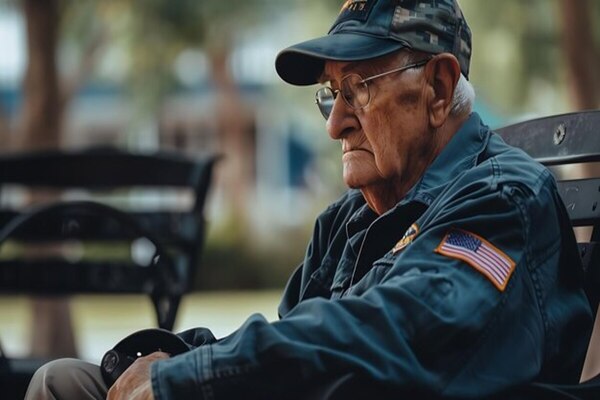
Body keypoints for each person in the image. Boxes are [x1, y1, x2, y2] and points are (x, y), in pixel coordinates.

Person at [26, 0, 593, 399]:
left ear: (439, 89)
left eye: (358, 89)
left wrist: (190, 380)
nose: (336, 124)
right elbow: (296, 337)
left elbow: (395, 332)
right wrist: (171, 358)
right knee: (67, 383)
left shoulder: (500, 201)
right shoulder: (348, 221)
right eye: (331, 95)